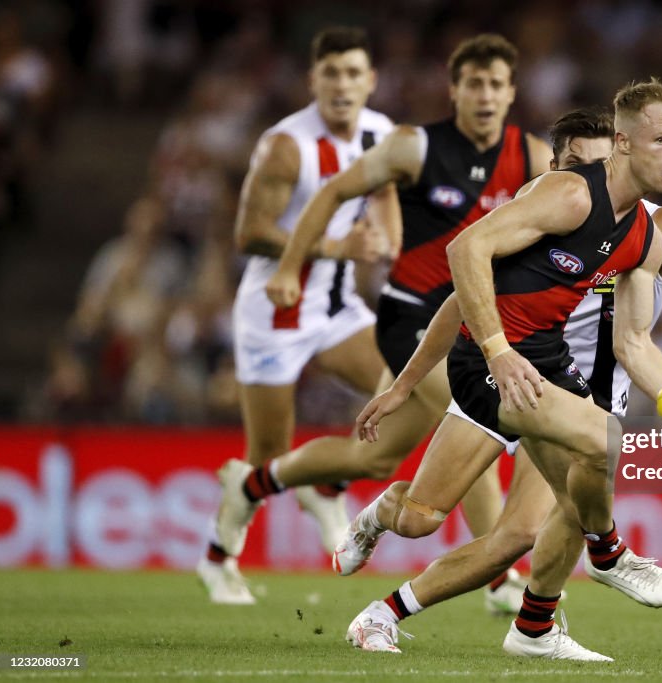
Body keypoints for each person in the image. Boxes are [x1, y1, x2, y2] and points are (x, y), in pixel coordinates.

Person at [334, 79, 662, 661]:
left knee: (522, 521)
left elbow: (635, 340)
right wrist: (423, 377)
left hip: (548, 370)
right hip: (498, 364)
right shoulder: (563, 198)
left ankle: (526, 628)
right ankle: (610, 553)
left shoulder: (646, 236)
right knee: (593, 445)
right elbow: (463, 267)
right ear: (618, 147)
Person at [210, 34, 553, 613]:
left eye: (496, 84)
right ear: (454, 91)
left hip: (475, 319)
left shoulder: (536, 158)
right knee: (479, 410)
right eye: (474, 84)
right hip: (413, 317)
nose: (485, 95)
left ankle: (254, 483)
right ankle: (500, 581)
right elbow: (334, 193)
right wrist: (291, 264)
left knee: (370, 458)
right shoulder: (413, 146)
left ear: (512, 92)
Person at [196, 26, 398, 605]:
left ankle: (329, 482)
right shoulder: (287, 145)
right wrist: (338, 247)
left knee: (413, 391)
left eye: (353, 73)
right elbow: (249, 233)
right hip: (275, 312)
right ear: (313, 81)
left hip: (337, 309)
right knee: (265, 460)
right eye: (331, 73)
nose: (342, 84)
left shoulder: (382, 134)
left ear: (371, 81)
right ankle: (218, 560)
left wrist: (386, 234)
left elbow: (387, 194)